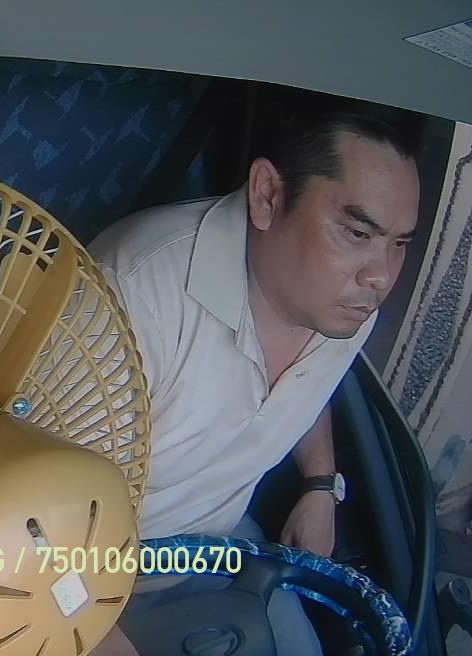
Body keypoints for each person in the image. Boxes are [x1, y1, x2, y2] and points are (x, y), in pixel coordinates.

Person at [86, 88, 426, 655]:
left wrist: (320, 484)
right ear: (268, 195)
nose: (382, 277)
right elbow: (29, 520)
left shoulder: (340, 306)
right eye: (357, 233)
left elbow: (308, 385)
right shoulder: (132, 300)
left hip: (225, 548)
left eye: (400, 244)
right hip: (92, 577)